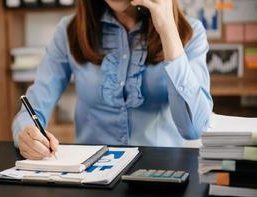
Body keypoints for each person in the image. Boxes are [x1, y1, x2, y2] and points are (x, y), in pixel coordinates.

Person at [12, 0, 213, 160]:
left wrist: (168, 30)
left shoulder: (191, 34)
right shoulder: (69, 30)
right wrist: (26, 133)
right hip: (92, 178)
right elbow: (34, 105)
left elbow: (193, 129)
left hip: (160, 176)